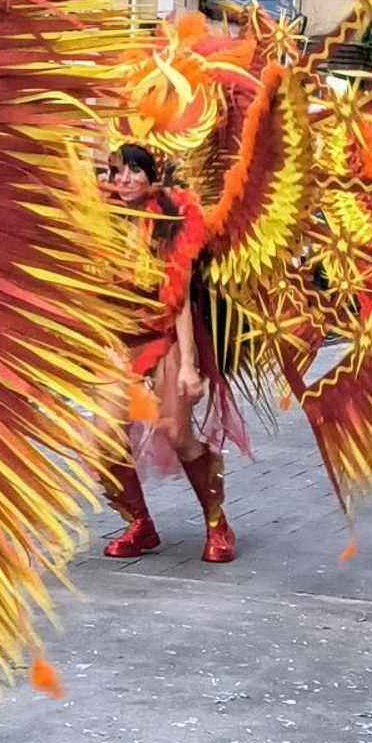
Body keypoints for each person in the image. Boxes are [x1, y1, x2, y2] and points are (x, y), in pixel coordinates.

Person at [100, 143, 237, 564]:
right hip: (117, 336)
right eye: (117, 172)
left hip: (165, 335)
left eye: (134, 171)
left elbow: (179, 300)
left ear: (151, 175)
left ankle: (217, 521)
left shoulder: (172, 220)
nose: (125, 180)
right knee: (103, 439)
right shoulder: (98, 219)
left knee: (179, 435)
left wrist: (190, 367)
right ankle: (139, 523)